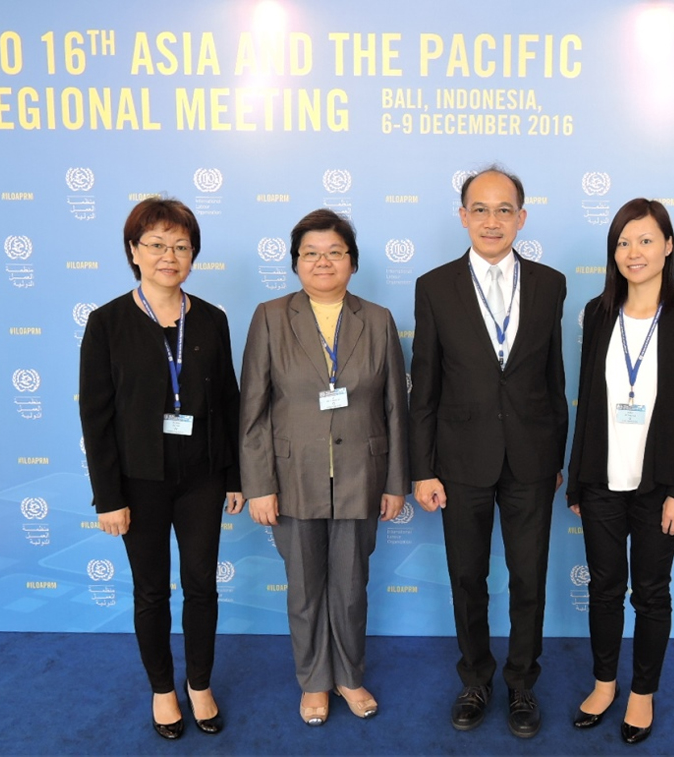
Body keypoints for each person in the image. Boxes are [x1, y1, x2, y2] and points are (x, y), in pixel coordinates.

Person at [409, 166, 568, 739]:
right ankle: (475, 678)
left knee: (529, 578)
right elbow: (422, 386)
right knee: (467, 577)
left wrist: (556, 457)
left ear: (522, 218)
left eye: (505, 210)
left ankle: (522, 684)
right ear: (463, 217)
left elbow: (554, 379)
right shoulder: (434, 286)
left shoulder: (550, 284)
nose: (492, 220)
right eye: (481, 208)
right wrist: (422, 468)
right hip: (460, 460)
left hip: (531, 459)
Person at [79, 198, 244, 740]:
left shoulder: (212, 319)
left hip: (202, 478)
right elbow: (96, 417)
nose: (168, 255)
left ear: (193, 254)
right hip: (137, 483)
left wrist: (236, 477)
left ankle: (200, 684)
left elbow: (231, 403)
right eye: (156, 244)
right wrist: (108, 497)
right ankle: (163, 690)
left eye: (180, 245)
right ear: (134, 251)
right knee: (151, 591)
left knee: (202, 587)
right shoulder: (106, 323)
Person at [239, 208, 409, 727]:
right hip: (292, 479)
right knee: (305, 587)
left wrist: (396, 482)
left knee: (351, 587)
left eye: (335, 252)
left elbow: (395, 409)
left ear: (352, 262)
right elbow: (253, 410)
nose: (323, 261)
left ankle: (349, 677)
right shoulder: (270, 316)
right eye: (310, 253)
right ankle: (313, 680)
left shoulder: (377, 319)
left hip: (363, 474)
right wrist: (259, 486)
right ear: (295, 264)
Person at [567, 198, 674, 745]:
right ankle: (604, 684)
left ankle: (641, 693)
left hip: (661, 488)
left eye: (646, 240)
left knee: (651, 593)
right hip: (603, 481)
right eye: (624, 241)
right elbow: (586, 400)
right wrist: (579, 479)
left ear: (668, 246)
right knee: (605, 589)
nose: (634, 252)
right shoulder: (598, 311)